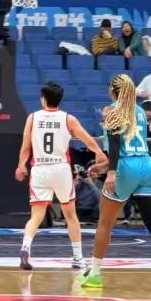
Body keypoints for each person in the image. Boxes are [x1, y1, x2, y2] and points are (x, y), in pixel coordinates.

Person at [80, 74, 151, 291]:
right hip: (147, 166)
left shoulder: (112, 111)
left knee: (105, 223)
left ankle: (94, 273)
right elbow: (131, 145)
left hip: (125, 168)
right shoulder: (140, 111)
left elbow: (116, 144)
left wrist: (110, 171)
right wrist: (104, 166)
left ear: (113, 91)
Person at [14, 82, 107, 271]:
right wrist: (98, 152)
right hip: (60, 169)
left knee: (36, 215)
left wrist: (21, 165)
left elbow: (25, 147)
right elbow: (87, 139)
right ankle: (77, 258)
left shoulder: (32, 118)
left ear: (43, 99)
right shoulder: (68, 119)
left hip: (39, 168)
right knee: (70, 215)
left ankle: (25, 247)